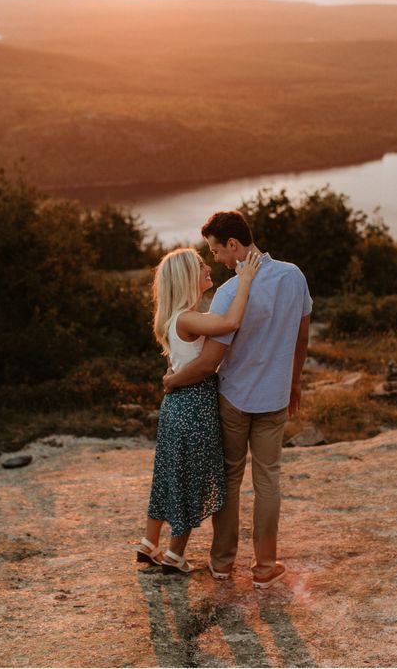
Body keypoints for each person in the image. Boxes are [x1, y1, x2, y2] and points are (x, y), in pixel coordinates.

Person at [163, 211, 312, 588]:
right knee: (268, 480)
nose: (216, 259)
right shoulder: (294, 277)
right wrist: (293, 384)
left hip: (233, 398)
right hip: (275, 397)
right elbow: (301, 338)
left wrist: (174, 380)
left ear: (233, 244)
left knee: (229, 479)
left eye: (216, 250)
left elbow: (210, 361)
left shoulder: (229, 293)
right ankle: (264, 567)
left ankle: (222, 564)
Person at [136, 246, 261, 574]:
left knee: (168, 475)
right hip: (195, 407)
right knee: (193, 481)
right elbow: (231, 321)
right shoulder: (191, 318)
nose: (208, 268)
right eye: (201, 265)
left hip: (175, 406)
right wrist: (245, 280)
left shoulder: (173, 318)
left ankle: (148, 545)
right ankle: (175, 556)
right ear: (186, 277)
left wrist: (172, 380)